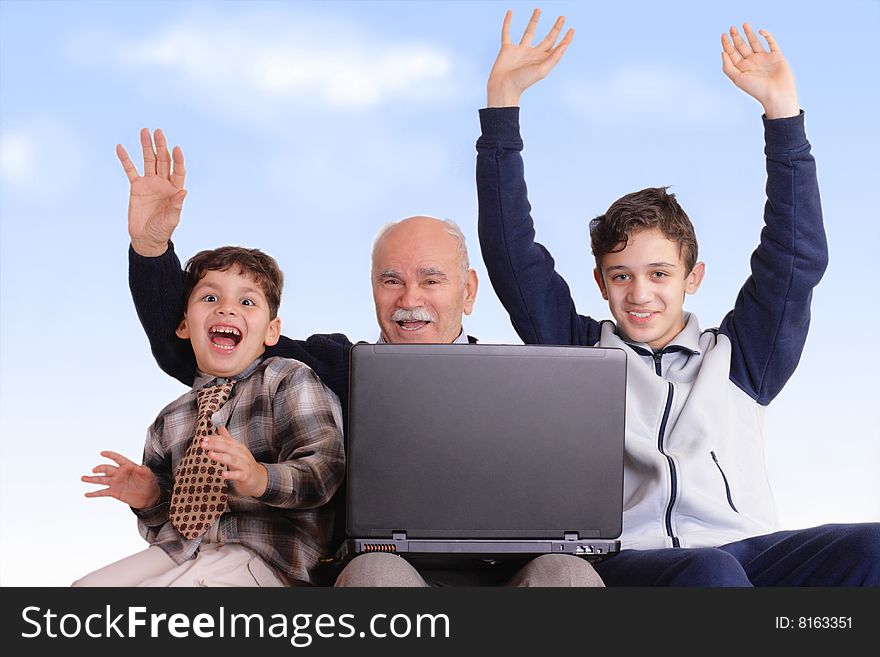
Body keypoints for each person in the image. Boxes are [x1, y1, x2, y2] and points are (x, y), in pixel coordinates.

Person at [476, 9, 880, 586]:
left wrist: (782, 114)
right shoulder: (577, 355)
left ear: (693, 277)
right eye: (621, 276)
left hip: (745, 551)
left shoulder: (742, 359)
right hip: (634, 563)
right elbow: (511, 252)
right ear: (601, 283)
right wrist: (502, 104)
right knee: (711, 574)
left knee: (873, 548)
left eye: (659, 274)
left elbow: (796, 258)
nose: (640, 293)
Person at [121, 129, 603, 587]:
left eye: (431, 280)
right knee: (376, 574)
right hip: (381, 571)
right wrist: (150, 247)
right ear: (373, 288)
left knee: (570, 574)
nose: (409, 297)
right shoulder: (331, 366)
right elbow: (203, 350)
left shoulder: (529, 385)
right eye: (391, 280)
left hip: (510, 570)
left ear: (468, 291)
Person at [76, 245, 345, 586]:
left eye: (246, 302)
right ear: (185, 326)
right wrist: (151, 499)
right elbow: (166, 523)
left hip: (266, 554)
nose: (227, 309)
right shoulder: (168, 420)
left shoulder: (287, 379)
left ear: (271, 332)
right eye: (210, 299)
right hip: (181, 549)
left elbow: (326, 469)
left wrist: (259, 477)